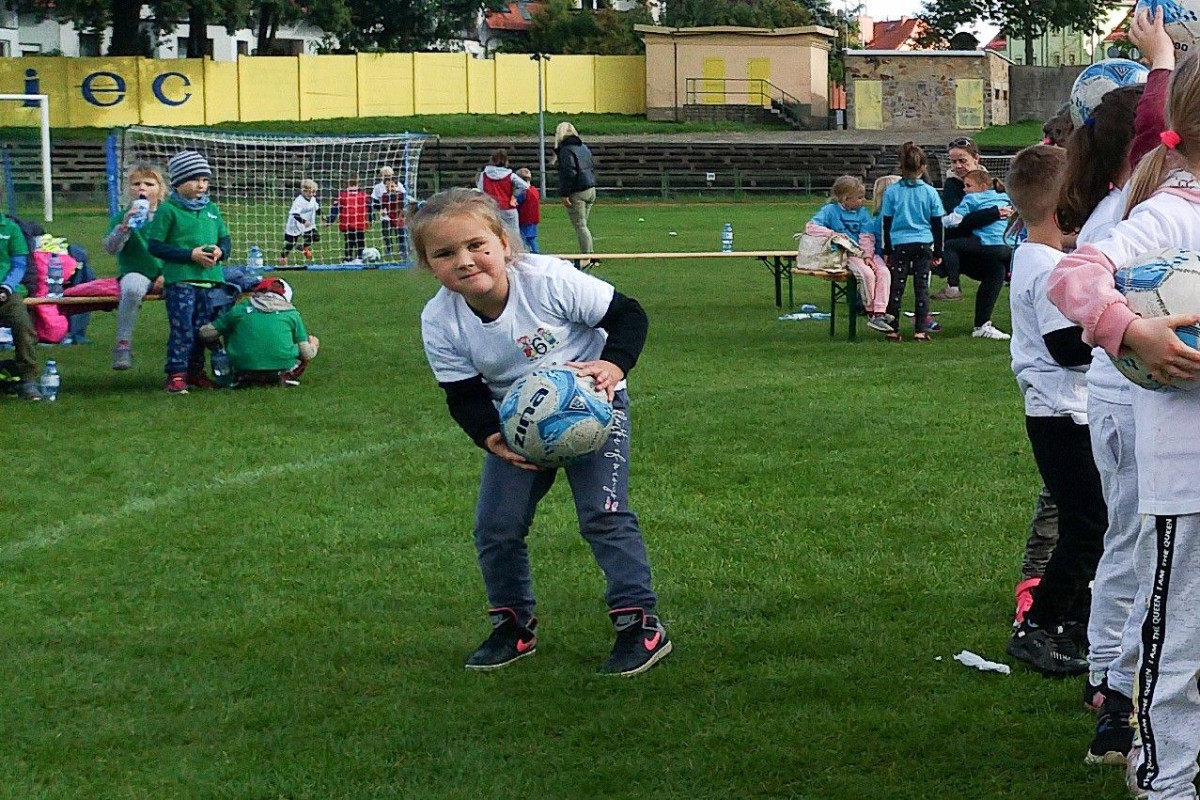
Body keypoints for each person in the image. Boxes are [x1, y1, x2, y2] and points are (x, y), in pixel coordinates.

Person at [414, 187, 671, 677]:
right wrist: (490, 437)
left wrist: (614, 366)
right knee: (496, 526)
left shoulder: (547, 279)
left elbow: (627, 314)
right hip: (519, 425)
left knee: (604, 515)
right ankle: (513, 624)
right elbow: (463, 393)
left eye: (476, 246)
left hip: (594, 409)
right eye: (445, 254)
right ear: (429, 265)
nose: (465, 261)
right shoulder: (440, 319)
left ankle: (639, 624)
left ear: (504, 245)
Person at [1047, 50, 1200, 800]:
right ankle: (1166, 778)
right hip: (1187, 476)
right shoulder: (1169, 216)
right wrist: (1127, 331)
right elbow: (1070, 274)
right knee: (1180, 645)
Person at [1055, 82, 1152, 765]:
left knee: (1142, 540)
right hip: (1131, 396)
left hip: (1135, 398)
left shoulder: (1121, 206)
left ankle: (1119, 682)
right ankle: (1116, 690)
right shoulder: (1124, 213)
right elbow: (1072, 315)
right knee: (1139, 539)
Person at [1003, 144, 1107, 681]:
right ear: (1064, 205)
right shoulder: (1048, 269)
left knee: (1089, 520)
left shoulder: (1030, 256)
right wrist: (1120, 337)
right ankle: (1037, 628)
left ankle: (1071, 619)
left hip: (1060, 412)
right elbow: (1067, 349)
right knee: (1089, 525)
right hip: (1060, 414)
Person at [143, 150, 232, 394]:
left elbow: (226, 240)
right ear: (179, 182)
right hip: (181, 280)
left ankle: (196, 372)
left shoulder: (212, 209)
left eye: (205, 180)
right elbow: (156, 246)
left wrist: (220, 252)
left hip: (210, 280)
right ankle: (176, 373)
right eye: (195, 179)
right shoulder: (169, 210)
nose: (201, 185)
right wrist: (189, 255)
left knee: (204, 330)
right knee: (182, 328)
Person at [806, 175, 892, 332]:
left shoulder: (863, 213)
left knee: (884, 272)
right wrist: (832, 234)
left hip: (865, 252)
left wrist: (867, 256)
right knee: (867, 274)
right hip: (847, 253)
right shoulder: (829, 211)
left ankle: (881, 311)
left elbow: (866, 236)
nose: (862, 201)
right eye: (858, 198)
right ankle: (871, 311)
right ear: (845, 198)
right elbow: (811, 227)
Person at [199, 277, 318, 388]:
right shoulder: (292, 314)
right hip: (277, 371)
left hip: (242, 371)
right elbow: (306, 353)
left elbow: (205, 333)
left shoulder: (239, 310)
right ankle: (286, 376)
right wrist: (314, 345)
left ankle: (233, 376)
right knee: (305, 344)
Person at [881, 142, 943, 342]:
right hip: (923, 243)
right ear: (923, 167)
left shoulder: (892, 191)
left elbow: (887, 221)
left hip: (900, 243)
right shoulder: (930, 192)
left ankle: (893, 328)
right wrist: (938, 251)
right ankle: (920, 330)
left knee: (896, 287)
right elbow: (937, 223)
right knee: (921, 287)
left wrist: (887, 248)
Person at [105, 164, 166, 368]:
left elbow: (181, 246)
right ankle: (123, 344)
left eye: (149, 184)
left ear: (160, 189)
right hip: (136, 270)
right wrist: (124, 227)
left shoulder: (168, 215)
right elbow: (110, 248)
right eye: (136, 184)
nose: (142, 189)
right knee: (131, 289)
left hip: (168, 271)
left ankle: (185, 345)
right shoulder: (123, 215)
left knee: (185, 292)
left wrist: (167, 273)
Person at [0, 209, 36, 399]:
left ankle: (27, 378)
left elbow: (19, 265)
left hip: (6, 292)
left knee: (23, 325)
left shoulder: (11, 229)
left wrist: (6, 287)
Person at [555, 121, 597, 256]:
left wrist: (565, 193)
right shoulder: (583, 147)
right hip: (590, 188)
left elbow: (569, 172)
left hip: (577, 191)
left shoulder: (566, 150)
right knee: (583, 225)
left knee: (580, 226)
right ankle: (589, 254)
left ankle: (587, 256)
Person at [476, 149, 528, 240]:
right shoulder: (510, 175)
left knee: (493, 234)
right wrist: (514, 196)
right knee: (514, 235)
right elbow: (524, 186)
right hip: (508, 207)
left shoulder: (484, 175)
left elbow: (480, 190)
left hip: (491, 208)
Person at [328, 175, 369, 263]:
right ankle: (359, 257)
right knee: (360, 241)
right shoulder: (363, 195)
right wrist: (372, 218)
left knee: (349, 241)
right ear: (358, 182)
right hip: (360, 223)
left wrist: (330, 220)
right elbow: (370, 207)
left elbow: (335, 209)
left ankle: (348, 258)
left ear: (347, 183)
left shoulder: (342, 195)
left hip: (347, 223)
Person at [280, 179, 320, 266]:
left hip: (307, 224)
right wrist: (304, 221)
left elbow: (317, 208)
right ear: (305, 191)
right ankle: (283, 257)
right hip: (295, 224)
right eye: (312, 192)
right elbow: (295, 214)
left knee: (315, 237)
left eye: (315, 192)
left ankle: (303, 247)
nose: (314, 194)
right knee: (291, 243)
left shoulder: (313, 199)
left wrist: (322, 216)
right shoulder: (298, 201)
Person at [378, 178, 407, 259]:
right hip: (389, 217)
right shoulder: (384, 196)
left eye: (392, 186)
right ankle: (388, 249)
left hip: (399, 217)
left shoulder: (401, 195)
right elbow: (382, 207)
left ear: (396, 186)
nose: (389, 188)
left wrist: (403, 215)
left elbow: (404, 206)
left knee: (401, 234)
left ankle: (402, 250)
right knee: (387, 234)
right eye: (387, 187)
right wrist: (382, 212)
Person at [515, 167, 540, 254]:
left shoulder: (523, 192)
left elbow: (517, 203)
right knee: (531, 238)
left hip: (524, 219)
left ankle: (528, 254)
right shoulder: (534, 190)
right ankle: (535, 253)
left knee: (523, 238)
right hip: (533, 219)